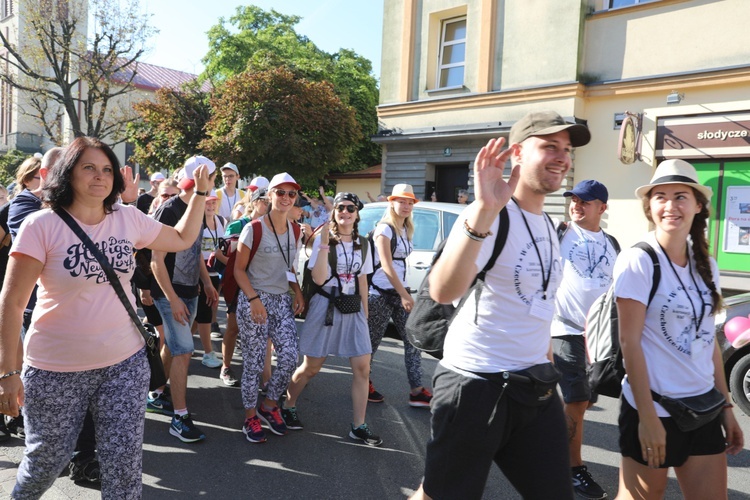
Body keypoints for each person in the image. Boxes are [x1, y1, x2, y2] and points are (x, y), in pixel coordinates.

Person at [0, 136, 211, 498]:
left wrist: (201, 196)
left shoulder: (127, 217)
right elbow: (12, 302)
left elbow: (179, 237)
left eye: (107, 169)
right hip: (54, 369)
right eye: (89, 168)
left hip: (123, 364)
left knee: (124, 467)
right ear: (68, 173)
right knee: (45, 462)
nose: (100, 176)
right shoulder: (41, 225)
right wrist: (8, 373)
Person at [410, 110, 592, 499]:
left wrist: (545, 363)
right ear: (518, 154)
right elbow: (443, 290)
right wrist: (484, 211)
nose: (562, 156)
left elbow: (536, 305)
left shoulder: (547, 223)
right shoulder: (492, 216)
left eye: (566, 149)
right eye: (549, 147)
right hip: (476, 386)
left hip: (533, 386)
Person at [613, 159, 743, 499]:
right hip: (653, 407)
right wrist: (647, 418)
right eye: (661, 197)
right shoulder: (638, 260)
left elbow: (707, 343)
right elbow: (630, 343)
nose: (670, 206)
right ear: (650, 206)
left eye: (681, 196)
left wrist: (726, 408)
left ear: (698, 206)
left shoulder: (707, 265)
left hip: (702, 408)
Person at [283, 192, 383, 446]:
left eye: (350, 208)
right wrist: (325, 240)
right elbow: (318, 279)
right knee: (312, 367)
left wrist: (365, 315)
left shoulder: (364, 243)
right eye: (340, 208)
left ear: (357, 213)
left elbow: (362, 279)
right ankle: (288, 404)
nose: (345, 212)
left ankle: (358, 425)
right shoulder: (323, 239)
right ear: (334, 212)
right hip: (325, 307)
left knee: (363, 367)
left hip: (353, 309)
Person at [552, 179, 618, 499]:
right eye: (573, 200)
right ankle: (572, 469)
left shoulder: (613, 244)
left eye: (585, 201)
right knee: (576, 398)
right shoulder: (560, 233)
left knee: (583, 401)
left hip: (598, 334)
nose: (576, 205)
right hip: (563, 326)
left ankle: (549, 445)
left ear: (601, 208)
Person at [150, 156, 219, 443]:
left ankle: (156, 393)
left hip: (191, 292)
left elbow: (193, 252)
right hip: (171, 294)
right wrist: (172, 298)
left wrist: (205, 282)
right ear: (203, 177)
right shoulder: (169, 209)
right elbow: (156, 260)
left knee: (174, 347)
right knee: (183, 351)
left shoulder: (199, 205)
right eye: (212, 176)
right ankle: (180, 417)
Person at [234, 172, 304, 444]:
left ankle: (270, 404)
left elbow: (290, 268)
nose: (286, 198)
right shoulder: (254, 228)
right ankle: (250, 415)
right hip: (255, 299)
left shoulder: (296, 229)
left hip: (281, 300)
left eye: (291, 194)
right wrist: (253, 300)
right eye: (281, 192)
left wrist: (297, 291)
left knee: (289, 357)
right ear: (270, 195)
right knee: (253, 363)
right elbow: (239, 271)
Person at [367, 183, 432, 407]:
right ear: (391, 203)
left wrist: (403, 293)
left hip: (398, 293)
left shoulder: (406, 229)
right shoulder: (384, 229)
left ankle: (416, 390)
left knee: (412, 341)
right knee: (372, 344)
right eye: (401, 201)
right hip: (380, 294)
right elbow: (386, 266)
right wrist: (405, 294)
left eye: (409, 202)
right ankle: (364, 383)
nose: (406, 205)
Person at [218, 187, 269, 387]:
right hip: (239, 284)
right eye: (264, 200)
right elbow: (219, 252)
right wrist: (240, 263)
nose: (267, 204)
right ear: (254, 202)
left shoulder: (272, 225)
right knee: (233, 327)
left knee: (263, 332)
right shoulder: (239, 224)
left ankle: (264, 377)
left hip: (263, 285)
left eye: (269, 201)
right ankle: (226, 366)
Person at [194, 190, 226, 369]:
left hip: (216, 272)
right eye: (207, 202)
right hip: (200, 273)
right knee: (205, 313)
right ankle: (208, 353)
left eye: (213, 202)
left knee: (201, 313)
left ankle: (185, 345)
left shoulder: (221, 221)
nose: (211, 206)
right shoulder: (197, 222)